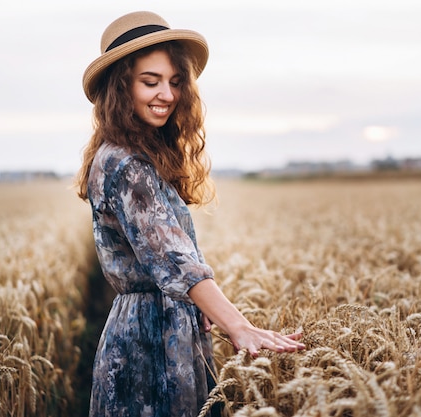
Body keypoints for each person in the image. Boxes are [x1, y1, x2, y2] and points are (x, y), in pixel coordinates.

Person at [75, 11, 305, 417]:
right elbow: (175, 259)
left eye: (175, 82)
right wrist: (239, 325)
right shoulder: (124, 164)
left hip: (168, 331)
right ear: (120, 86)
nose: (167, 93)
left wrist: (201, 310)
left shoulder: (134, 155)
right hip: (149, 345)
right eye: (151, 81)